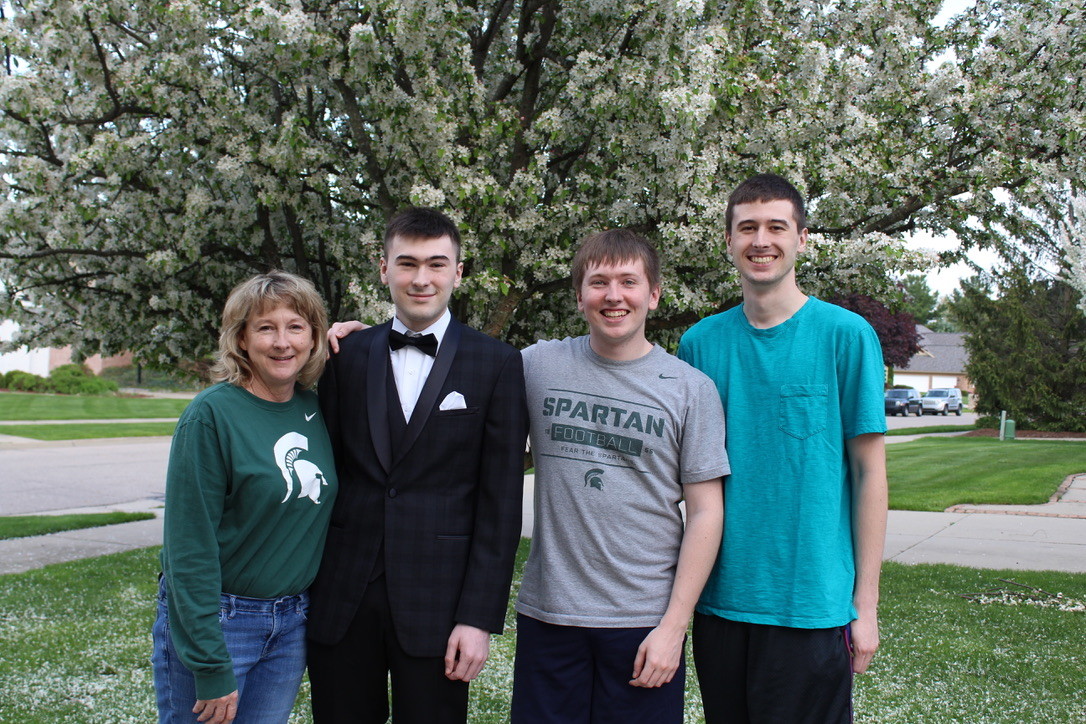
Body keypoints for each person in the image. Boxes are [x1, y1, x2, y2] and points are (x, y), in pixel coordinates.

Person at [677, 173, 888, 723]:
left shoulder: (846, 336)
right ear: (728, 240)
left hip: (812, 605)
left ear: (802, 238)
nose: (761, 241)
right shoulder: (699, 344)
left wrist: (865, 605)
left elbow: (870, 475)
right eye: (747, 227)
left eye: (776, 227)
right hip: (721, 602)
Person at [306, 207, 529, 723]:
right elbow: (328, 470)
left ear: (458, 272)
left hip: (441, 605)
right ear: (384, 269)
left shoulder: (497, 363)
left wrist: (478, 618)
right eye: (407, 263)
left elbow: (500, 504)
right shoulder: (343, 355)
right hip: (343, 596)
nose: (421, 278)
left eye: (436, 264)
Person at [510, 229, 728, 723]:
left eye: (629, 282)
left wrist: (673, 627)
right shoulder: (536, 366)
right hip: (550, 615)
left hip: (643, 622)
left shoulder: (690, 389)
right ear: (579, 296)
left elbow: (706, 512)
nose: (614, 296)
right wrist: (362, 336)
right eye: (599, 282)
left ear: (653, 295)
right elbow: (459, 371)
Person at [153, 271, 337, 724]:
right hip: (222, 622)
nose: (282, 342)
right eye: (265, 328)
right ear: (241, 338)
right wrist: (209, 661)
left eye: (296, 327)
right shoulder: (211, 415)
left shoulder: (316, 409)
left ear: (314, 337)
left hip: (292, 624)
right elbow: (188, 548)